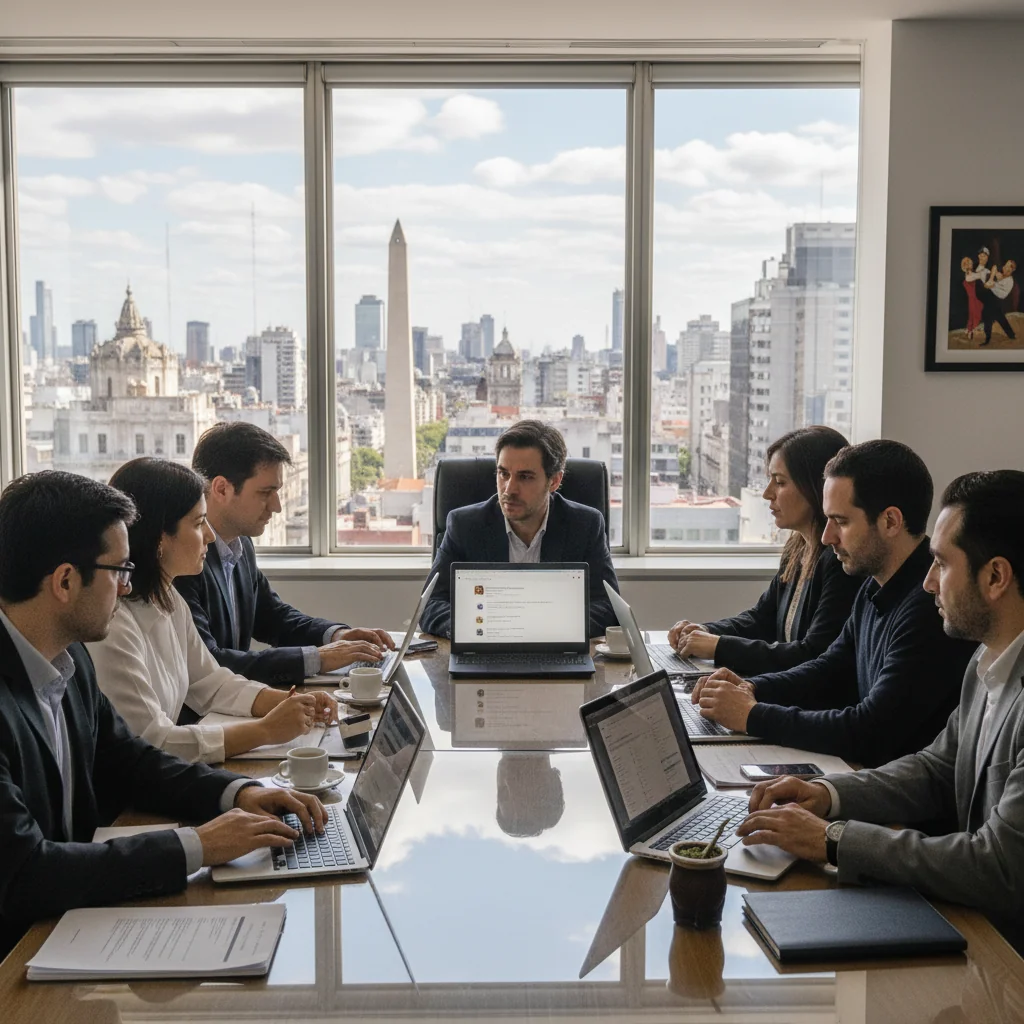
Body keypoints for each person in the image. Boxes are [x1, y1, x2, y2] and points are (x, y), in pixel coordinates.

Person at [0, 471, 327, 959]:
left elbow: (132, 760)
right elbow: (27, 872)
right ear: (66, 581)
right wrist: (197, 846)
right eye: (118, 570)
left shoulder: (69, 661)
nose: (127, 585)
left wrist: (241, 792)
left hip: (69, 920)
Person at [738, 471, 1024, 952]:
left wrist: (834, 839)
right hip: (974, 919)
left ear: (995, 576)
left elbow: (998, 867)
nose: (929, 583)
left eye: (941, 564)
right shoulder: (988, 658)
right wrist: (826, 795)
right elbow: (937, 768)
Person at [690, 440, 977, 767]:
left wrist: (753, 715)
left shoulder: (930, 608)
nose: (827, 537)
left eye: (840, 521)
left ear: (890, 522)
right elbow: (828, 668)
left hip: (896, 800)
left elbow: (869, 730)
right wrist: (751, 687)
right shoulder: (873, 584)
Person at [87, 458, 336, 763]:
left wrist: (290, 702)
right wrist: (265, 731)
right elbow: (154, 741)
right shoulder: (112, 627)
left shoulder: (167, 597)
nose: (209, 535)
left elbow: (211, 682)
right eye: (197, 523)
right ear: (159, 539)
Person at [175, 422, 393, 686]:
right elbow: (212, 662)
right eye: (266, 493)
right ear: (221, 489)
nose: (277, 507)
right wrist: (317, 658)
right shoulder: (183, 558)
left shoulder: (239, 542)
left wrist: (335, 636)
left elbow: (271, 616)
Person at [668, 426, 861, 676]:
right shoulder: (797, 547)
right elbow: (762, 618)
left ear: (816, 487)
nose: (767, 493)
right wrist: (705, 631)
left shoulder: (839, 561)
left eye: (780, 482)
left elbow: (813, 653)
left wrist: (719, 647)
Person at [419, 419, 620, 639]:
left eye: (525, 477)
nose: (509, 489)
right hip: (485, 652)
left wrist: (531, 629)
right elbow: (430, 606)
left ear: (554, 481)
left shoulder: (585, 525)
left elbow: (608, 607)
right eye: (503, 473)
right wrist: (488, 628)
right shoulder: (464, 525)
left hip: (554, 652)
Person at [980, 258, 1017, 345]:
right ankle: (988, 339)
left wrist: (993, 282)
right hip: (990, 300)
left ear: (1012, 270)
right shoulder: (999, 275)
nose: (1006, 268)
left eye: (1009, 267)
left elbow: (1002, 294)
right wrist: (994, 275)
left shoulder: (1009, 281)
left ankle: (1011, 335)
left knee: (1000, 318)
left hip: (997, 302)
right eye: (1006, 265)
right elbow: (987, 281)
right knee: (988, 317)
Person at [961, 255, 984, 339]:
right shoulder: (968, 276)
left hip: (972, 297)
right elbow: (977, 276)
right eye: (970, 264)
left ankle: (969, 329)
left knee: (972, 314)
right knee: (976, 312)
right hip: (973, 297)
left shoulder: (970, 274)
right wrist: (982, 272)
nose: (972, 264)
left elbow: (976, 275)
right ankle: (973, 330)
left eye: (971, 263)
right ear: (966, 266)